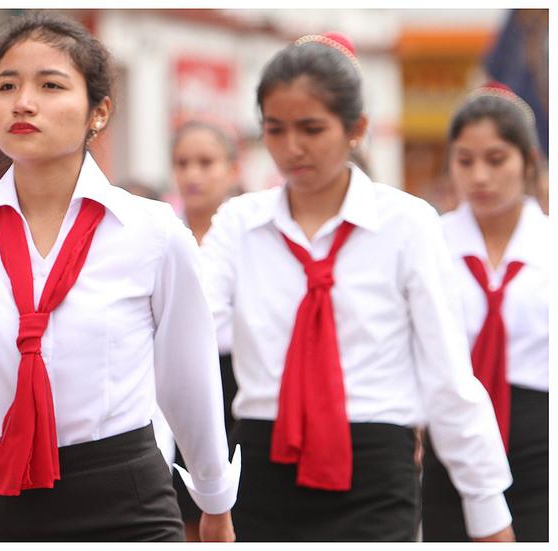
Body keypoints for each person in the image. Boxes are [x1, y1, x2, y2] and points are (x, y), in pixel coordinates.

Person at [0, 12, 238, 542]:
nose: (22, 101)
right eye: (7, 85)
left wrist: (213, 497)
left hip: (125, 496)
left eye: (50, 85)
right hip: (1, 498)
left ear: (98, 112)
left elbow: (186, 376)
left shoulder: (150, 232)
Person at [198, 33, 515, 542]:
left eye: (311, 128)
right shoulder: (239, 224)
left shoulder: (407, 223)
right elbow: (188, 338)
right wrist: (208, 482)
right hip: (262, 463)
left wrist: (487, 509)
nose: (291, 148)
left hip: (374, 469)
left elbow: (447, 373)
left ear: (356, 129)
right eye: (275, 130)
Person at [422, 82, 549, 542]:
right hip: (448, 442)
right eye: (465, 160)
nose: (480, 177)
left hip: (539, 443)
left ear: (527, 162)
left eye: (496, 160)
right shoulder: (429, 242)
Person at [168, 120, 242, 541]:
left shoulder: (247, 235)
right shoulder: (163, 232)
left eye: (206, 162)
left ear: (232, 169)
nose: (193, 174)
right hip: (175, 379)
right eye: (183, 163)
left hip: (233, 379)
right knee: (179, 514)